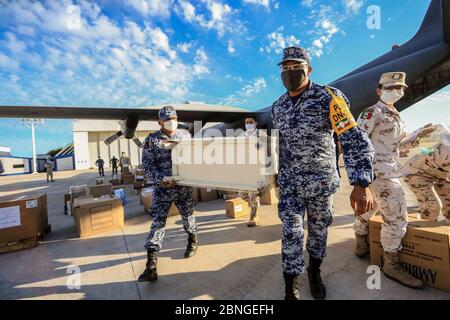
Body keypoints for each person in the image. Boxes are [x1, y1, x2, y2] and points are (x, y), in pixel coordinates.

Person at [271, 47, 375, 300]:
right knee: (291, 232)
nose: (290, 72)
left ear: (309, 69)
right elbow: (281, 145)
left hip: (320, 182)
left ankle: (314, 271)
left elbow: (351, 138)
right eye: (285, 68)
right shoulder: (279, 107)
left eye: (296, 67)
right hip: (291, 184)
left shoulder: (329, 98)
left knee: (318, 231)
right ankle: (291, 284)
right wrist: (277, 177)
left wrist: (361, 183)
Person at [354, 72, 423, 289]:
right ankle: (391, 264)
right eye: (391, 87)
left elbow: (398, 146)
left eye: (400, 88)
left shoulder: (396, 115)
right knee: (397, 218)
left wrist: (420, 138)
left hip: (391, 171)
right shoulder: (371, 113)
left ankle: (361, 243)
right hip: (378, 174)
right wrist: (360, 183)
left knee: (370, 209)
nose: (396, 91)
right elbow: (357, 146)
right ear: (379, 90)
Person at [138, 106, 198, 282]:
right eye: (167, 119)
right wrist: (161, 179)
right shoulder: (151, 140)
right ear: (159, 122)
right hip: (162, 190)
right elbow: (148, 167)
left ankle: (192, 240)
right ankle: (151, 265)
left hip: (183, 188)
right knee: (157, 223)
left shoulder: (186, 136)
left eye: (174, 117)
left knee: (188, 217)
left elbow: (194, 159)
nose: (171, 121)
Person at [401, 126, 450, 223]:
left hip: (438, 174)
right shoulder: (447, 151)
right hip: (416, 175)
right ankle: (424, 234)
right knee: (433, 207)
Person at [238, 116, 265, 227]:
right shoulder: (241, 135)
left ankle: (254, 215)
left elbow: (266, 150)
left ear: (256, 123)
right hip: (245, 167)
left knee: (253, 193)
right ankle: (254, 204)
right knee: (242, 194)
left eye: (251, 122)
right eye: (246, 122)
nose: (248, 124)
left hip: (257, 167)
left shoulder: (262, 134)